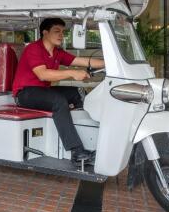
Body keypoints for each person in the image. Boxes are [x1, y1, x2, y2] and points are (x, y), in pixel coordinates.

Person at [12, 18, 104, 161]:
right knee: (58, 101)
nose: (61, 35)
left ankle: (95, 139)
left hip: (43, 91)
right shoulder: (33, 49)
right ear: (45, 33)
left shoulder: (57, 52)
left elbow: (82, 61)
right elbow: (43, 74)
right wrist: (72, 73)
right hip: (24, 93)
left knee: (78, 93)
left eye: (62, 32)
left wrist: (109, 63)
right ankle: (77, 152)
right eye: (57, 31)